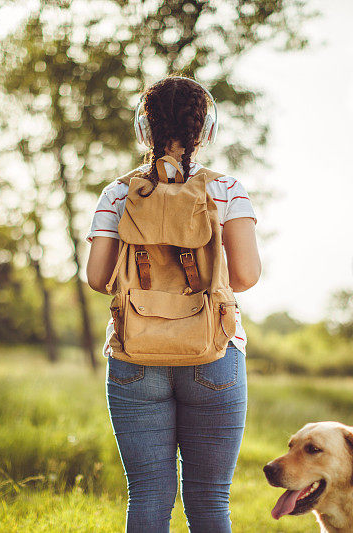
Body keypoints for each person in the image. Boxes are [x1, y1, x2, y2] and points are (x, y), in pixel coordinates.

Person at [85, 75, 261, 533]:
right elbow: (244, 277)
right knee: (209, 499)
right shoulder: (227, 189)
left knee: (147, 493)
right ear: (206, 131)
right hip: (214, 352)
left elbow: (97, 278)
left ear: (144, 128)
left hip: (133, 352)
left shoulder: (117, 193)